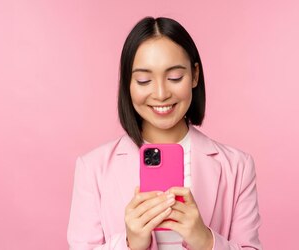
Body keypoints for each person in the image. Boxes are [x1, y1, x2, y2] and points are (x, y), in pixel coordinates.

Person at [67, 16, 262, 250]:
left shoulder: (238, 167)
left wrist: (205, 240)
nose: (160, 94)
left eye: (174, 78)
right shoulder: (93, 168)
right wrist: (130, 244)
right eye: (144, 80)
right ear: (128, 84)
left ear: (195, 75)